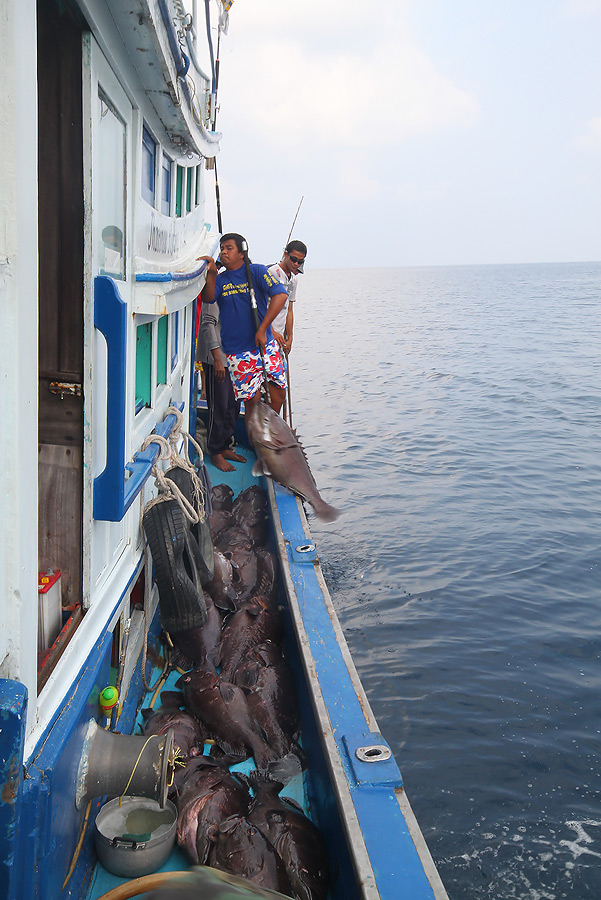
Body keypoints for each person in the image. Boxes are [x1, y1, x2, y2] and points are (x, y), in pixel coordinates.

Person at [200, 233, 288, 414]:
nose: (224, 252)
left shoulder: (257, 271)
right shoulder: (221, 280)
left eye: (229, 248)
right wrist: (211, 273)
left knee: (278, 392)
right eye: (222, 248)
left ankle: (272, 431)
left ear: (242, 253)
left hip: (265, 345)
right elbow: (208, 298)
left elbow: (280, 295)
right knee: (252, 403)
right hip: (237, 351)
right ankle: (256, 439)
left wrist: (263, 329)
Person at [196, 301, 246, 472]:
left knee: (232, 406)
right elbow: (207, 324)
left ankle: (224, 445)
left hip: (234, 358)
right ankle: (215, 450)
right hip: (217, 359)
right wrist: (216, 359)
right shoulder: (216, 291)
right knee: (218, 406)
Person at [268, 240, 307, 355]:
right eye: (293, 259)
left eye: (300, 262)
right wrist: (271, 331)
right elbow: (260, 306)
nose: (296, 264)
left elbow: (289, 310)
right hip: (266, 335)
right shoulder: (271, 272)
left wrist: (290, 338)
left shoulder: (293, 280)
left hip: (280, 338)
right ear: (286, 255)